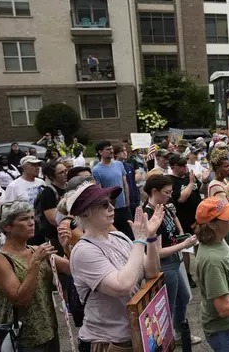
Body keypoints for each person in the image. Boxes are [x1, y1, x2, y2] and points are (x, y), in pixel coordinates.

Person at [68, 181, 161, 350]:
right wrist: (140, 240)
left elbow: (152, 271)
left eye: (111, 202)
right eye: (104, 205)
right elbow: (122, 287)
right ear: (86, 213)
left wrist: (151, 237)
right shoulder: (84, 251)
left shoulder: (119, 236)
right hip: (108, 343)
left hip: (136, 335)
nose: (111, 208)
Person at [0, 201, 71, 352]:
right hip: (24, 338)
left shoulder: (36, 250)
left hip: (50, 331)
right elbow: (20, 299)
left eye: (32, 218)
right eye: (24, 219)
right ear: (7, 226)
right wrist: (35, 263)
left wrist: (66, 247)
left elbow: (71, 269)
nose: (31, 223)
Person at [143, 174, 202, 345]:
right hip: (166, 265)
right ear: (154, 191)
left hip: (174, 261)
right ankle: (168, 339)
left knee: (182, 298)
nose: (170, 196)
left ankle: (178, 334)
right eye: (166, 192)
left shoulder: (163, 207)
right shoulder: (149, 214)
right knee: (167, 305)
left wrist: (182, 235)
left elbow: (174, 221)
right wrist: (184, 245)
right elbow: (158, 251)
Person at [194, 197, 229, 351]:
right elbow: (224, 308)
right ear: (212, 225)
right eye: (227, 218)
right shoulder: (212, 260)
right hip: (226, 332)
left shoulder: (218, 240)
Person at [168, 153, 204, 287]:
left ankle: (202, 272)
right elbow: (181, 198)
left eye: (185, 164)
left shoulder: (190, 176)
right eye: (181, 165)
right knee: (186, 249)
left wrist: (204, 181)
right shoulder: (171, 181)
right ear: (173, 167)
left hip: (198, 218)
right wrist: (190, 183)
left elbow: (200, 189)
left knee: (200, 245)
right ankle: (188, 275)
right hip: (183, 220)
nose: (185, 167)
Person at [92, 141, 133, 239]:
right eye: (108, 149)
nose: (111, 151)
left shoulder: (119, 164)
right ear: (100, 152)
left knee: (131, 234)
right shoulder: (96, 170)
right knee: (116, 236)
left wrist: (127, 201)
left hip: (124, 207)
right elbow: (99, 190)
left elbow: (125, 184)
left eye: (111, 149)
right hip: (110, 209)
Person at [38, 161, 68, 254]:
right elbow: (53, 219)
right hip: (56, 235)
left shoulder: (69, 187)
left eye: (66, 170)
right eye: (61, 172)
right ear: (51, 177)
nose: (65, 173)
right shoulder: (48, 192)